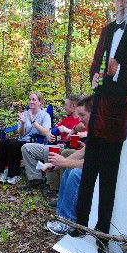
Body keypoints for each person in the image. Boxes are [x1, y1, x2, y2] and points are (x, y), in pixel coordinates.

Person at [70, 0, 127, 253]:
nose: (121, 2)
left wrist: (119, 70)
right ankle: (79, 226)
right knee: (88, 171)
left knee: (109, 180)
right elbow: (95, 62)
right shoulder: (106, 30)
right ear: (113, 1)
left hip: (116, 115)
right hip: (98, 108)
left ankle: (102, 235)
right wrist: (95, 76)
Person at [42, 95, 93, 235]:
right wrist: (56, 165)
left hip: (111, 176)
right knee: (70, 170)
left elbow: (93, 164)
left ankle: (68, 221)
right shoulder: (95, 131)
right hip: (95, 169)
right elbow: (83, 152)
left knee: (76, 173)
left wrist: (64, 162)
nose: (80, 119)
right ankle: (61, 218)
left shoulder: (105, 131)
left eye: (83, 115)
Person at [19, 94, 84, 191]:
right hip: (58, 144)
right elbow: (53, 130)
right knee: (26, 147)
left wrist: (68, 130)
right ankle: (35, 180)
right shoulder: (66, 119)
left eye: (66, 105)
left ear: (73, 106)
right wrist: (49, 134)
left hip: (71, 148)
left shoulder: (84, 121)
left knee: (49, 149)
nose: (64, 107)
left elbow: (87, 134)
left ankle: (53, 186)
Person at [0, 91, 51, 185]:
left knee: (14, 144)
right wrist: (22, 123)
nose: (31, 102)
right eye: (29, 100)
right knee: (3, 142)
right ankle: (4, 171)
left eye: (34, 99)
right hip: (23, 140)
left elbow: (45, 132)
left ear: (40, 102)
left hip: (35, 143)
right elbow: (21, 134)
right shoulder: (24, 114)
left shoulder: (45, 115)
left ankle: (15, 174)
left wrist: (32, 120)